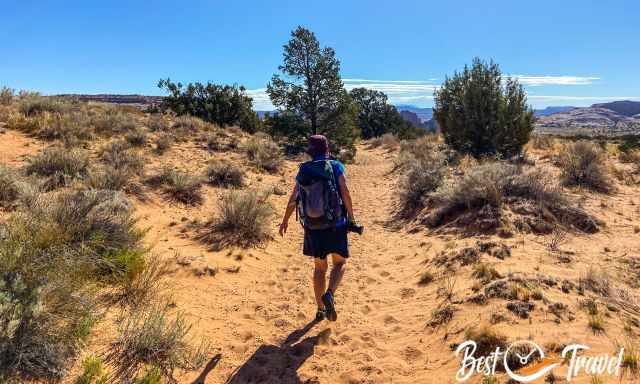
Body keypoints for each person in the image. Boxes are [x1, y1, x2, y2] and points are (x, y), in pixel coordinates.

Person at [279, 135, 356, 322]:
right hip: (335, 224)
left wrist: (285, 221)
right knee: (340, 262)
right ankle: (330, 294)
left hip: (313, 226)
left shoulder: (304, 170)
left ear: (310, 152)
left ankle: (320, 310)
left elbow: (294, 198)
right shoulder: (336, 166)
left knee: (319, 268)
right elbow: (344, 191)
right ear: (327, 149)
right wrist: (352, 218)